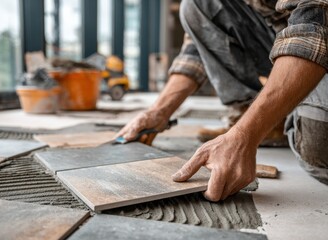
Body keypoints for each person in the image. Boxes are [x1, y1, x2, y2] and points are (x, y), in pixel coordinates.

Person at [117, 0, 328, 201]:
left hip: (318, 27)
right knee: (196, 5)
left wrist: (244, 136)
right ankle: (259, 117)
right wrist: (159, 111)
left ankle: (268, 117)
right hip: (283, 28)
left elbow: (315, 26)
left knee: (318, 153)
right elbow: (198, 46)